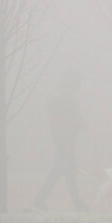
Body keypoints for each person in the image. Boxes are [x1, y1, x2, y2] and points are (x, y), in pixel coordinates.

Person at [32, 70, 88, 212]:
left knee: (65, 171)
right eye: (78, 82)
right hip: (67, 139)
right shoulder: (69, 97)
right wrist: (80, 123)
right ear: (73, 82)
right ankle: (41, 200)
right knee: (62, 170)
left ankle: (78, 204)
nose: (80, 85)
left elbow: (58, 119)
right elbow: (71, 119)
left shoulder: (55, 95)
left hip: (60, 138)